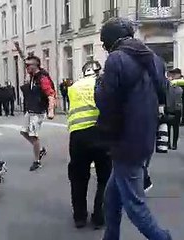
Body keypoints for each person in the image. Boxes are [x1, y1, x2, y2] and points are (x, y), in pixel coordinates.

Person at [96, 17, 171, 240]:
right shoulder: (154, 59)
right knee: (111, 199)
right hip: (144, 136)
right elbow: (163, 93)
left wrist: (98, 84)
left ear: (110, 40)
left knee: (135, 206)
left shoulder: (116, 59)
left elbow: (105, 101)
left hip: (125, 140)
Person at [67, 60, 111, 229]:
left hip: (78, 136)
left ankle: (79, 217)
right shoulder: (103, 84)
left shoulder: (73, 87)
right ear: (98, 71)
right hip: (101, 134)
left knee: (78, 177)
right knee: (104, 177)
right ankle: (99, 217)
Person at [20, 55, 56, 171]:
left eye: (28, 65)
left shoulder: (42, 78)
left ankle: (37, 161)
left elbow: (51, 95)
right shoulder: (33, 76)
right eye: (25, 65)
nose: (26, 68)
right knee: (23, 132)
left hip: (38, 111)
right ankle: (40, 150)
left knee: (33, 136)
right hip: (31, 109)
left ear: (35, 66)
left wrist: (51, 111)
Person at [165, 68, 183, 150]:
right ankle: (168, 142)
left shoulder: (182, 84)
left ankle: (174, 143)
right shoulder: (168, 83)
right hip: (168, 106)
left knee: (176, 127)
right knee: (167, 126)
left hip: (177, 108)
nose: (173, 76)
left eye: (174, 74)